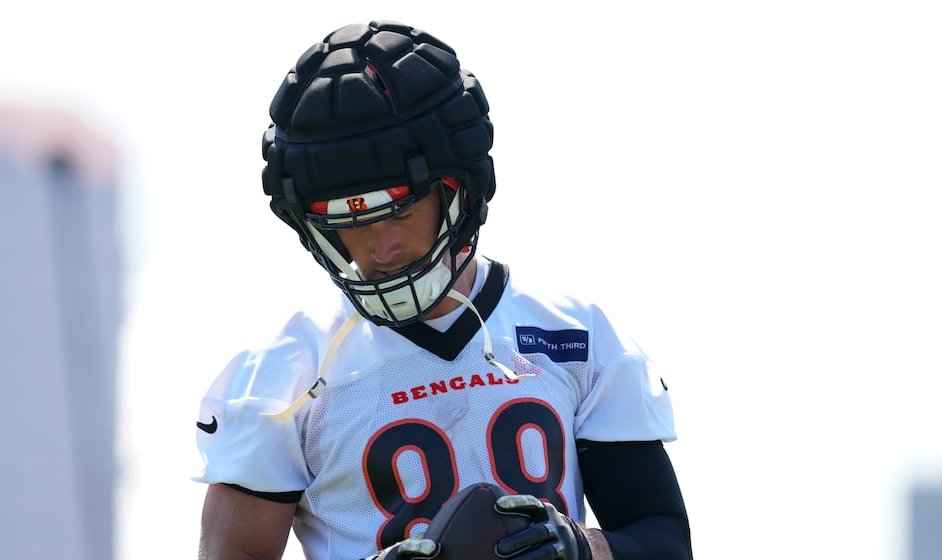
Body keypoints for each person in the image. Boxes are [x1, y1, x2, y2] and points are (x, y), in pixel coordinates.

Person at [194, 20, 692, 560]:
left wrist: (579, 549)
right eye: (351, 223)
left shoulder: (574, 333)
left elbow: (661, 537)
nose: (380, 249)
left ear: (459, 190)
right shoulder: (280, 375)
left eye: (400, 211)